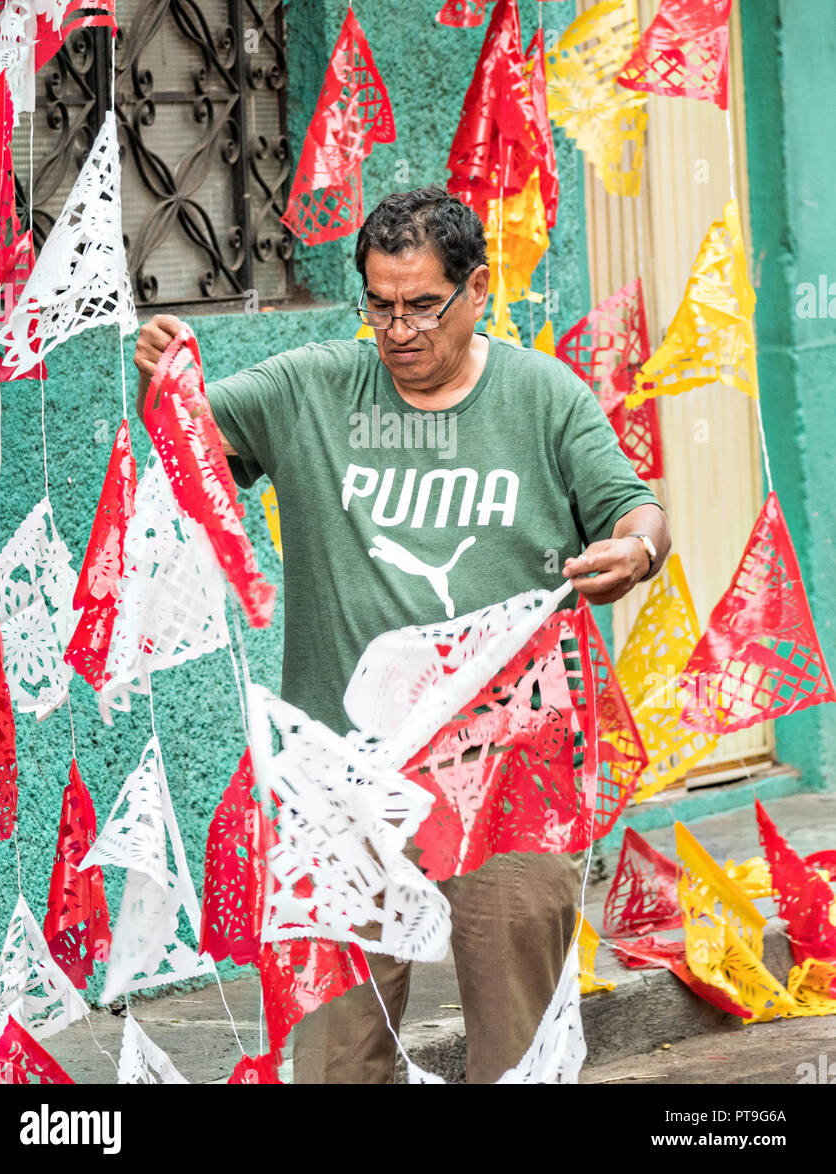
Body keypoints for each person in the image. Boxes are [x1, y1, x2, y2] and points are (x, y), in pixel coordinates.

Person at [134, 184, 670, 1084]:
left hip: (508, 772)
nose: (399, 329)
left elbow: (634, 508)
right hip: (344, 777)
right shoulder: (309, 389)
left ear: (479, 290)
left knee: (519, 1047)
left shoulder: (542, 397)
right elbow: (180, 435)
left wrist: (636, 553)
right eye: (379, 305)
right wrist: (162, 369)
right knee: (340, 1055)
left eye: (424, 304)